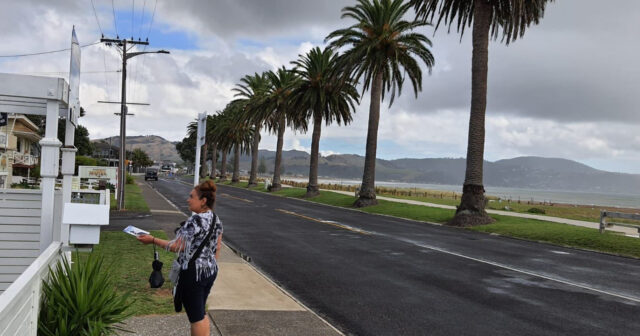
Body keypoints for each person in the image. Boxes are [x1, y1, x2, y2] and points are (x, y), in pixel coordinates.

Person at [137, 180, 223, 336]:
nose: (188, 199)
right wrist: (211, 265)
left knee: (195, 316)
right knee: (200, 311)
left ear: (203, 201)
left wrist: (153, 240)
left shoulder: (195, 220)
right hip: (210, 271)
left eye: (191, 197)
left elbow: (176, 246)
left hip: (194, 274)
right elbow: (218, 246)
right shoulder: (216, 219)